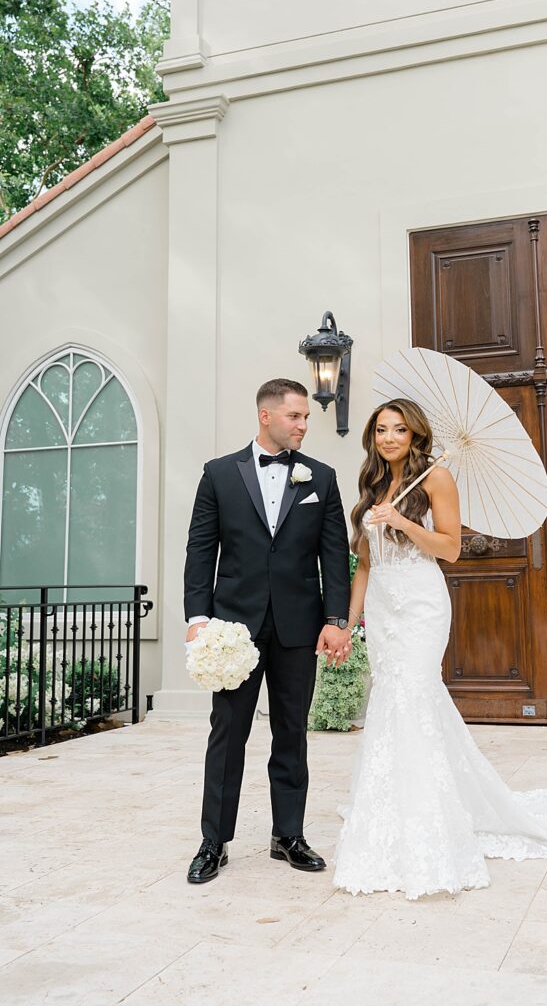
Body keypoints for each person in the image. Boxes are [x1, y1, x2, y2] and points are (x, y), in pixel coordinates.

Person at [333, 397, 547, 900]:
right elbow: (364, 563)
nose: (389, 438)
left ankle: (428, 817)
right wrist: (349, 625)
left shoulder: (435, 478)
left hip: (422, 605)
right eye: (382, 429)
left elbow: (451, 548)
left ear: (415, 436)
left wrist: (406, 523)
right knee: (395, 700)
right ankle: (397, 800)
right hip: (385, 609)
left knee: (412, 694)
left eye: (399, 430)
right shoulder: (371, 484)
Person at [184, 379, 351, 884]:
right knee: (228, 733)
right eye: (296, 416)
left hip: (299, 626)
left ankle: (289, 835)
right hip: (234, 626)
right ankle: (214, 841)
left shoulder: (321, 477)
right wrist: (197, 619)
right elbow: (200, 550)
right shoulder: (218, 474)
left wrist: (336, 619)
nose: (304, 424)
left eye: (306, 417)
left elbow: (334, 555)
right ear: (266, 416)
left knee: (292, 732)